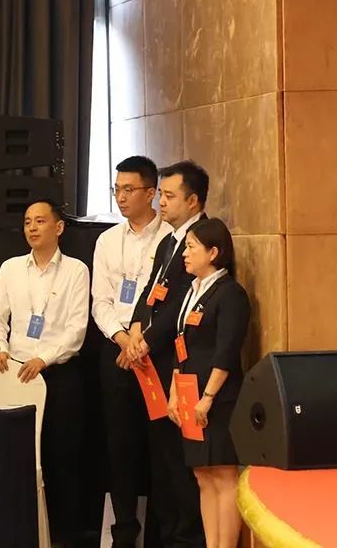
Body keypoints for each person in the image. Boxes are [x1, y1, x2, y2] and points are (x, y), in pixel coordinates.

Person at [0, 198, 90, 547]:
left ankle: (64, 537)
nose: (32, 227)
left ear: (58, 227)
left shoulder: (76, 270)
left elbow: (76, 330)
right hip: (17, 378)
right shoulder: (11, 268)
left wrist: (44, 358)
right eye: (28, 221)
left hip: (59, 375)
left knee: (62, 460)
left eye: (40, 221)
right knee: (20, 458)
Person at [128, 160, 210, 547]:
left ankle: (187, 536)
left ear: (193, 201)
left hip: (177, 361)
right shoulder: (168, 241)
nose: (161, 202)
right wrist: (134, 328)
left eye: (169, 196)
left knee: (181, 459)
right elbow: (151, 291)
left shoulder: (203, 241)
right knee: (161, 456)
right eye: (160, 194)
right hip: (152, 362)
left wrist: (146, 340)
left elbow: (180, 301)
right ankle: (166, 533)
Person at [92, 156, 171, 547]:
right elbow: (101, 301)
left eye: (129, 189)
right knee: (120, 445)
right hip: (117, 352)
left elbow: (169, 301)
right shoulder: (107, 240)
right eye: (117, 189)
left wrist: (142, 343)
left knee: (160, 446)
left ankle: (160, 533)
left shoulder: (170, 237)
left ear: (151, 192)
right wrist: (124, 339)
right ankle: (124, 532)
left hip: (157, 354)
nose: (121, 197)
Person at [168, 218, 249, 548]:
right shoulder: (193, 291)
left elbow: (226, 352)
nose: (184, 254)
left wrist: (208, 396)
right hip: (189, 393)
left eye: (191, 247)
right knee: (202, 475)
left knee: (223, 474)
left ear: (213, 252)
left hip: (218, 397)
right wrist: (174, 392)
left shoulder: (229, 294)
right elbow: (181, 344)